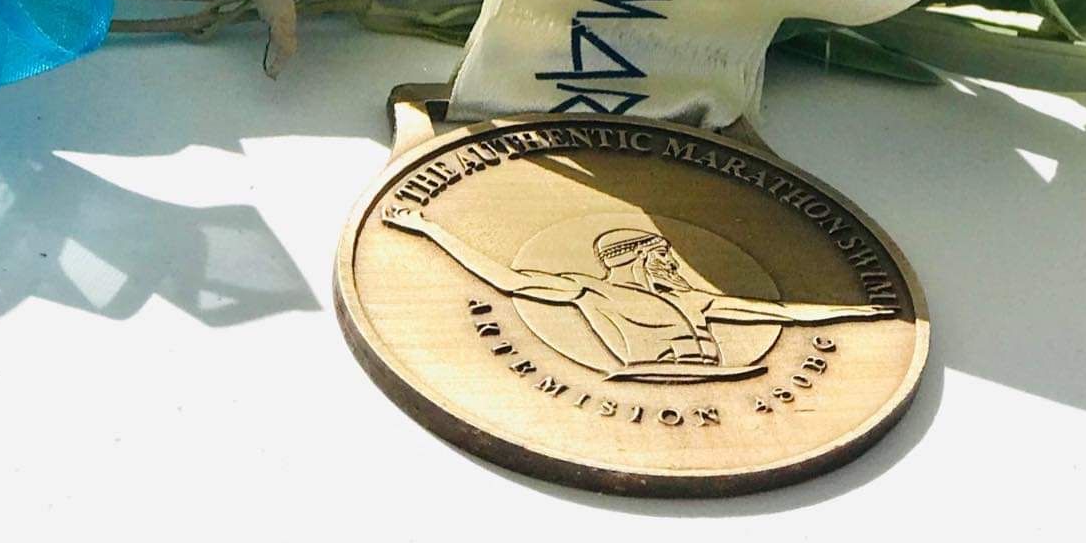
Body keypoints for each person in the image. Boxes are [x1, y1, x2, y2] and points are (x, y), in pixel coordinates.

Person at [383, 207, 894, 381]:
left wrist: (856, 310)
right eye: (663, 255)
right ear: (634, 256)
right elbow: (508, 281)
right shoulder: (590, 291)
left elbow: (781, 313)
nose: (673, 264)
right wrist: (431, 228)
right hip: (640, 376)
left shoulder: (692, 300)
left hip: (721, 378)